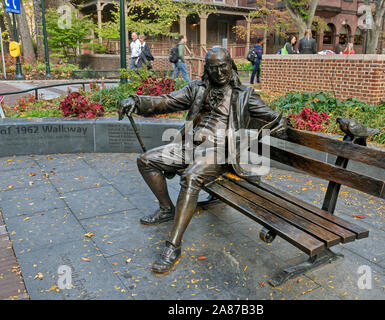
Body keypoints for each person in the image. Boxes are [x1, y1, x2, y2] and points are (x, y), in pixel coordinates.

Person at [118, 46, 290, 274]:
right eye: (214, 68)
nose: (220, 73)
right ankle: (167, 208)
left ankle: (173, 246)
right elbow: (165, 101)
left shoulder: (244, 95)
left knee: (192, 177)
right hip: (190, 145)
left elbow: (276, 119)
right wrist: (136, 101)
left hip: (220, 151)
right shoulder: (197, 89)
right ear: (207, 69)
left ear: (231, 65)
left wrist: (281, 123)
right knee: (146, 160)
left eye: (224, 67)